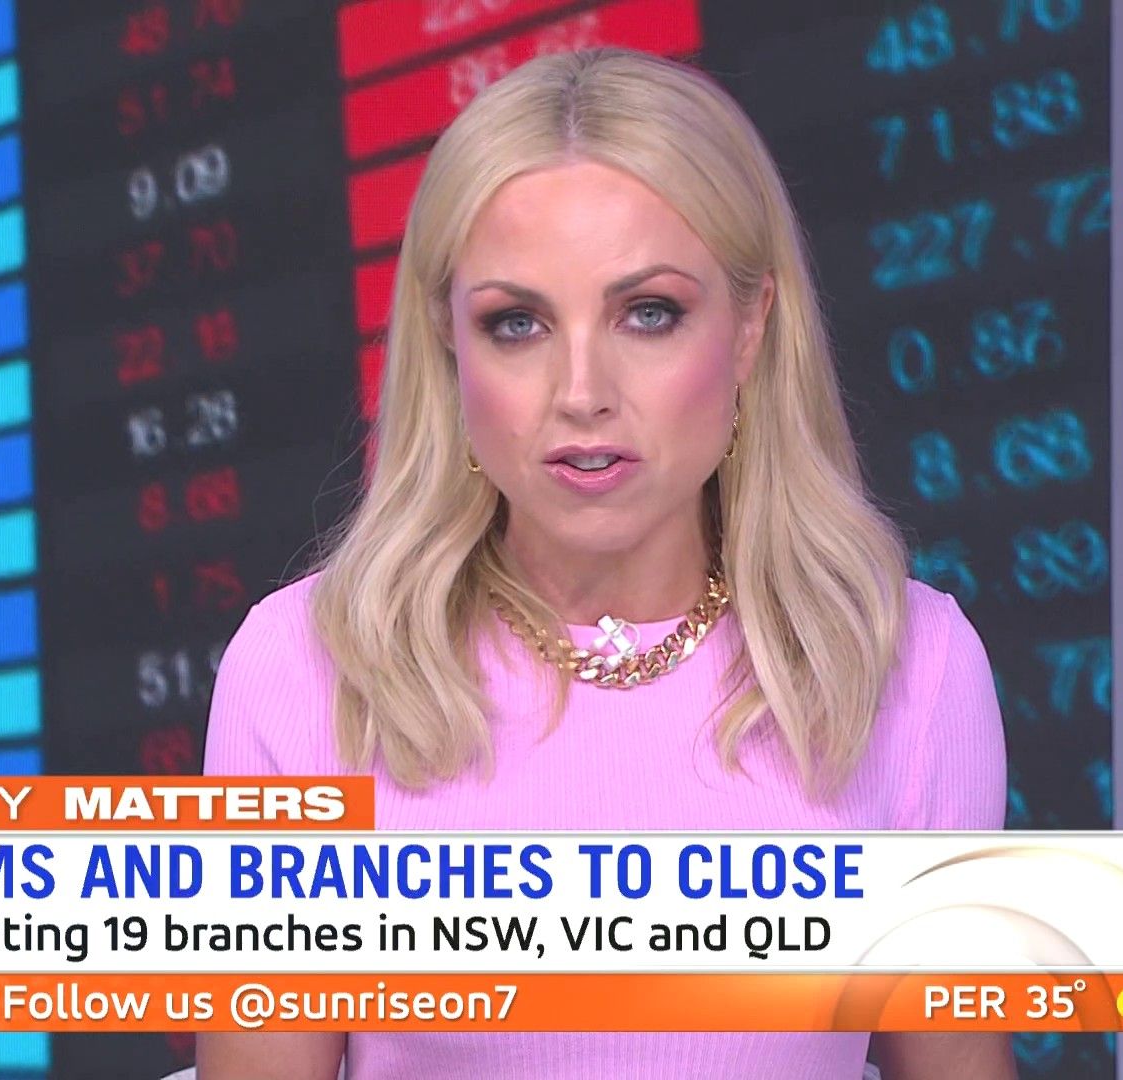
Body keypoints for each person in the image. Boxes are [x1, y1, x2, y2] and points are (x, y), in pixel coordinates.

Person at [199, 46, 1011, 1080]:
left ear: (751, 328)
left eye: (648, 313)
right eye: (518, 324)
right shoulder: (304, 669)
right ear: (450, 348)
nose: (581, 391)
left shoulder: (910, 663)